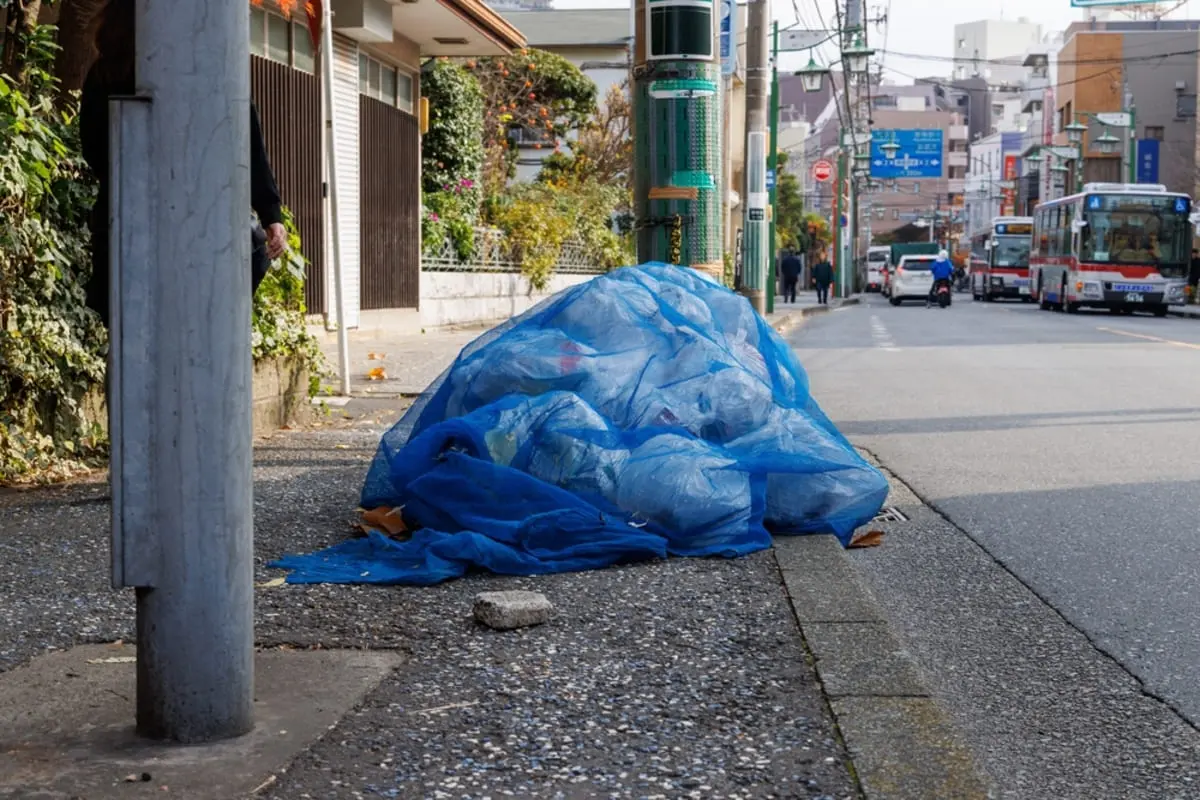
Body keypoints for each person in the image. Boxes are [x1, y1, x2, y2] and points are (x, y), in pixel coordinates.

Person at [79, 0, 287, 328]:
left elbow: (94, 151)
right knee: (205, 320)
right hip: (202, 227)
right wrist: (270, 213)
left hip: (126, 226)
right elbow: (246, 142)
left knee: (132, 339)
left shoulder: (106, 73)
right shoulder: (212, 71)